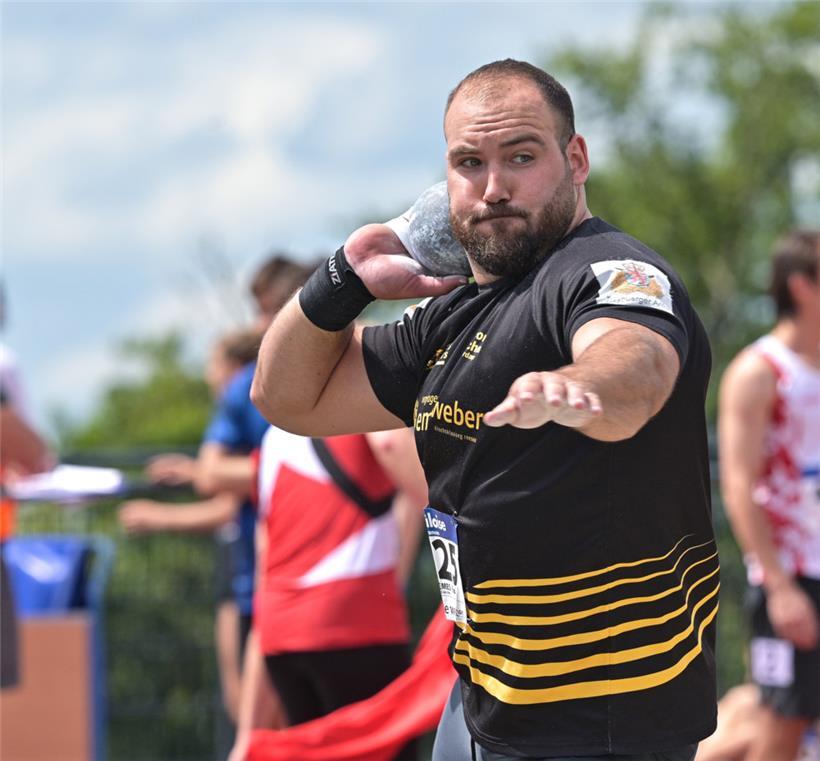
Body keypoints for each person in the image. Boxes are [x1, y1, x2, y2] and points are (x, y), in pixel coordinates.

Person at [250, 59, 718, 760]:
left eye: (520, 158)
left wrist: (580, 387)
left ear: (576, 158)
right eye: (470, 163)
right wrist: (347, 275)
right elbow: (285, 396)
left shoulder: (607, 270)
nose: (494, 187)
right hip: (482, 697)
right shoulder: (452, 314)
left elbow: (638, 364)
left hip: (600, 718)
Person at [228, 425, 426, 761]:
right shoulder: (360, 411)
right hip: (354, 623)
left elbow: (266, 566)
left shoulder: (273, 436)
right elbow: (391, 442)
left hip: (281, 636)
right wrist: (464, 514)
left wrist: (247, 735)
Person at [119, 328, 263, 723]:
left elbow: (226, 501)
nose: (208, 377)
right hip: (250, 576)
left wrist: (158, 516)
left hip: (255, 582)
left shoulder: (248, 397)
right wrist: (193, 471)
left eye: (213, 366)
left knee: (250, 716)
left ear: (234, 368)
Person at [718, 230, 820, 761]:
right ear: (802, 285)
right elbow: (738, 486)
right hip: (794, 577)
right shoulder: (760, 372)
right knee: (782, 724)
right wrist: (780, 587)